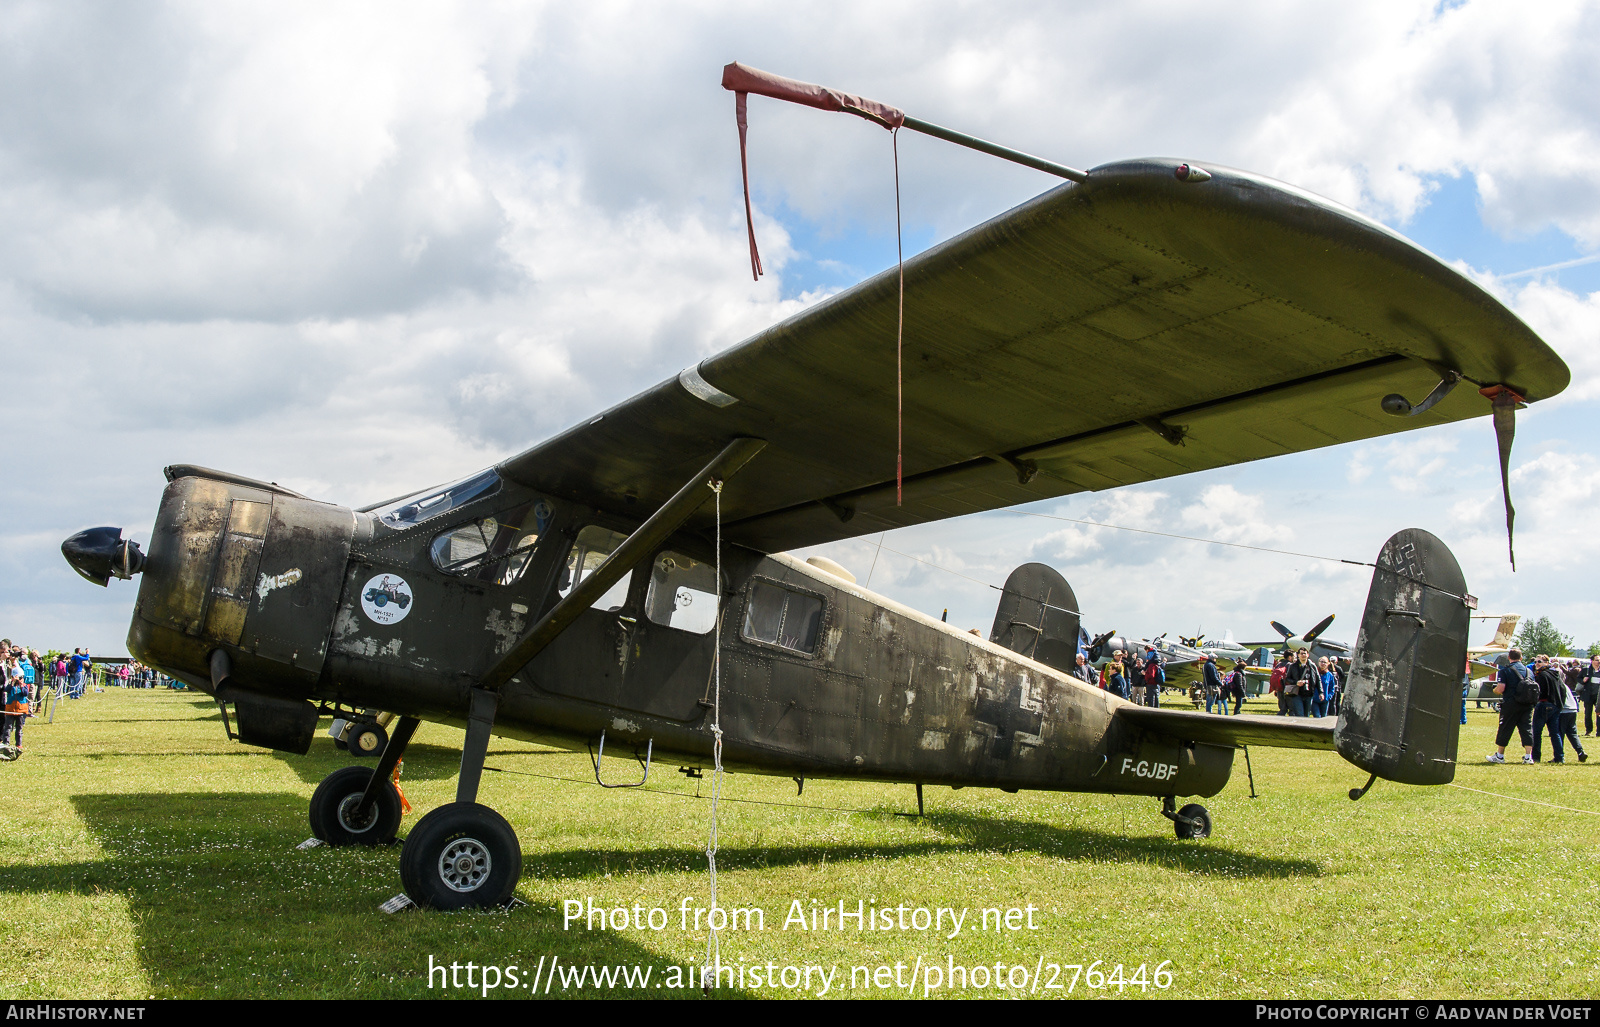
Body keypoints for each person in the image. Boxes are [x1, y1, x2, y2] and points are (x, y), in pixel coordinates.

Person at [1488, 648, 1536, 764]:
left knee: (1505, 728)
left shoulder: (1505, 670)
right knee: (1527, 729)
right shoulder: (1528, 671)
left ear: (1509, 658)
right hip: (1527, 704)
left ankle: (1500, 755)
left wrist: (1494, 690)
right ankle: (1528, 756)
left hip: (1511, 704)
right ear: (1521, 657)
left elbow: (1500, 688)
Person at [1532, 655, 1565, 763]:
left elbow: (1539, 692)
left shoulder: (1541, 675)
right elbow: (1563, 689)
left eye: (1539, 661)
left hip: (1544, 704)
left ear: (1546, 662)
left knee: (1536, 732)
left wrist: (1535, 701)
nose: (1537, 663)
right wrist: (1560, 704)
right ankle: (1560, 757)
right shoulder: (1555, 674)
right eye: (1535, 661)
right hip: (1555, 706)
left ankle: (1536, 757)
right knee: (1555, 733)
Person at [1281, 648, 1315, 717]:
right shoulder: (1292, 666)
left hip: (1308, 693)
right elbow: (1287, 678)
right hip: (1297, 693)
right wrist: (1296, 682)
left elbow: (1317, 679)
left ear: (1308, 655)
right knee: (1300, 714)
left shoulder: (1312, 666)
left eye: (1304, 653)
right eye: (1301, 653)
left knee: (1306, 715)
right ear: (1298, 655)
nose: (1303, 655)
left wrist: (1321, 692)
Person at [1, 665, 28, 752]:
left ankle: (19, 744)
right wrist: (12, 683)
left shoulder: (24, 685)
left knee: (19, 728)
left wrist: (21, 685)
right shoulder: (10, 685)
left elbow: (25, 693)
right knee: (8, 727)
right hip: (10, 709)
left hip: (20, 710)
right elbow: (6, 690)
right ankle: (6, 742)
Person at [1581, 654, 1600, 736]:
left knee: (1599, 713)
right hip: (1588, 695)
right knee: (1588, 714)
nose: (1598, 662)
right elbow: (1578, 678)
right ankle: (1588, 730)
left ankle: (1598, 731)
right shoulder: (1586, 670)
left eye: (1599, 660)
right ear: (1592, 661)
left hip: (1598, 696)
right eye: (1596, 660)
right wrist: (1583, 680)